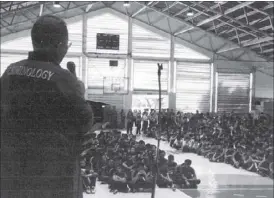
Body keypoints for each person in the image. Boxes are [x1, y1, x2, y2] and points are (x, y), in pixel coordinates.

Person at [1, 15, 94, 198]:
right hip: (51, 175)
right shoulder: (63, 79)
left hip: (11, 171)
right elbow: (85, 122)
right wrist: (79, 92)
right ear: (60, 45)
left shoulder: (9, 72)